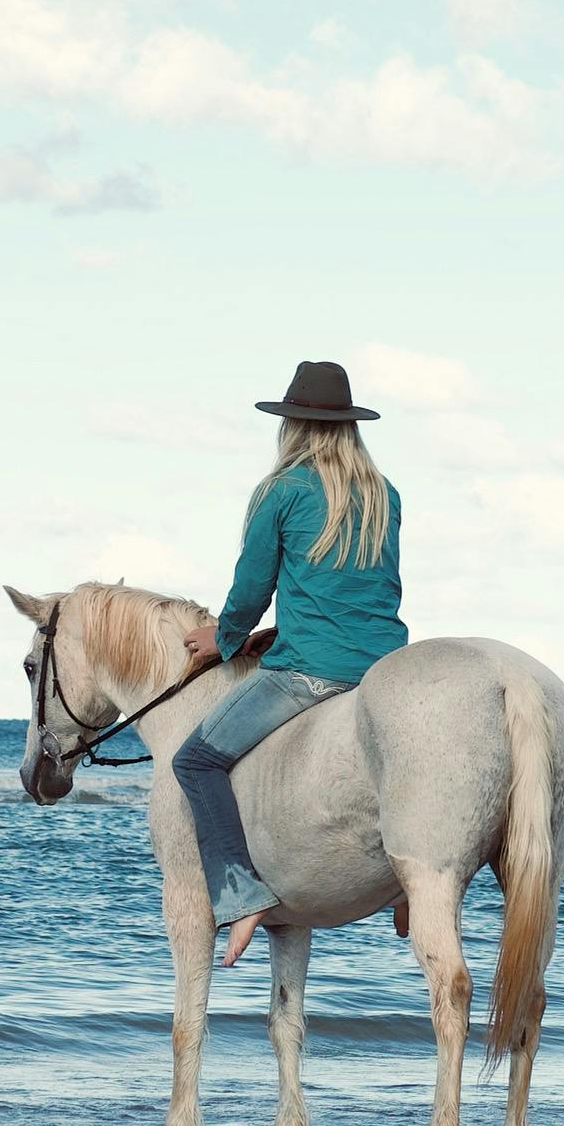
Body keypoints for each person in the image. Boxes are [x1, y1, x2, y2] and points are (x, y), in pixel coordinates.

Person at [176, 359, 407, 969]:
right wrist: (280, 629)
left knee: (195, 760)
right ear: (350, 427)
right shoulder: (385, 495)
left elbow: (251, 588)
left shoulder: (283, 490)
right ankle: (408, 883)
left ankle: (241, 894)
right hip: (384, 666)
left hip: (311, 671)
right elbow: (367, 590)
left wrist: (225, 639)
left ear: (293, 426)